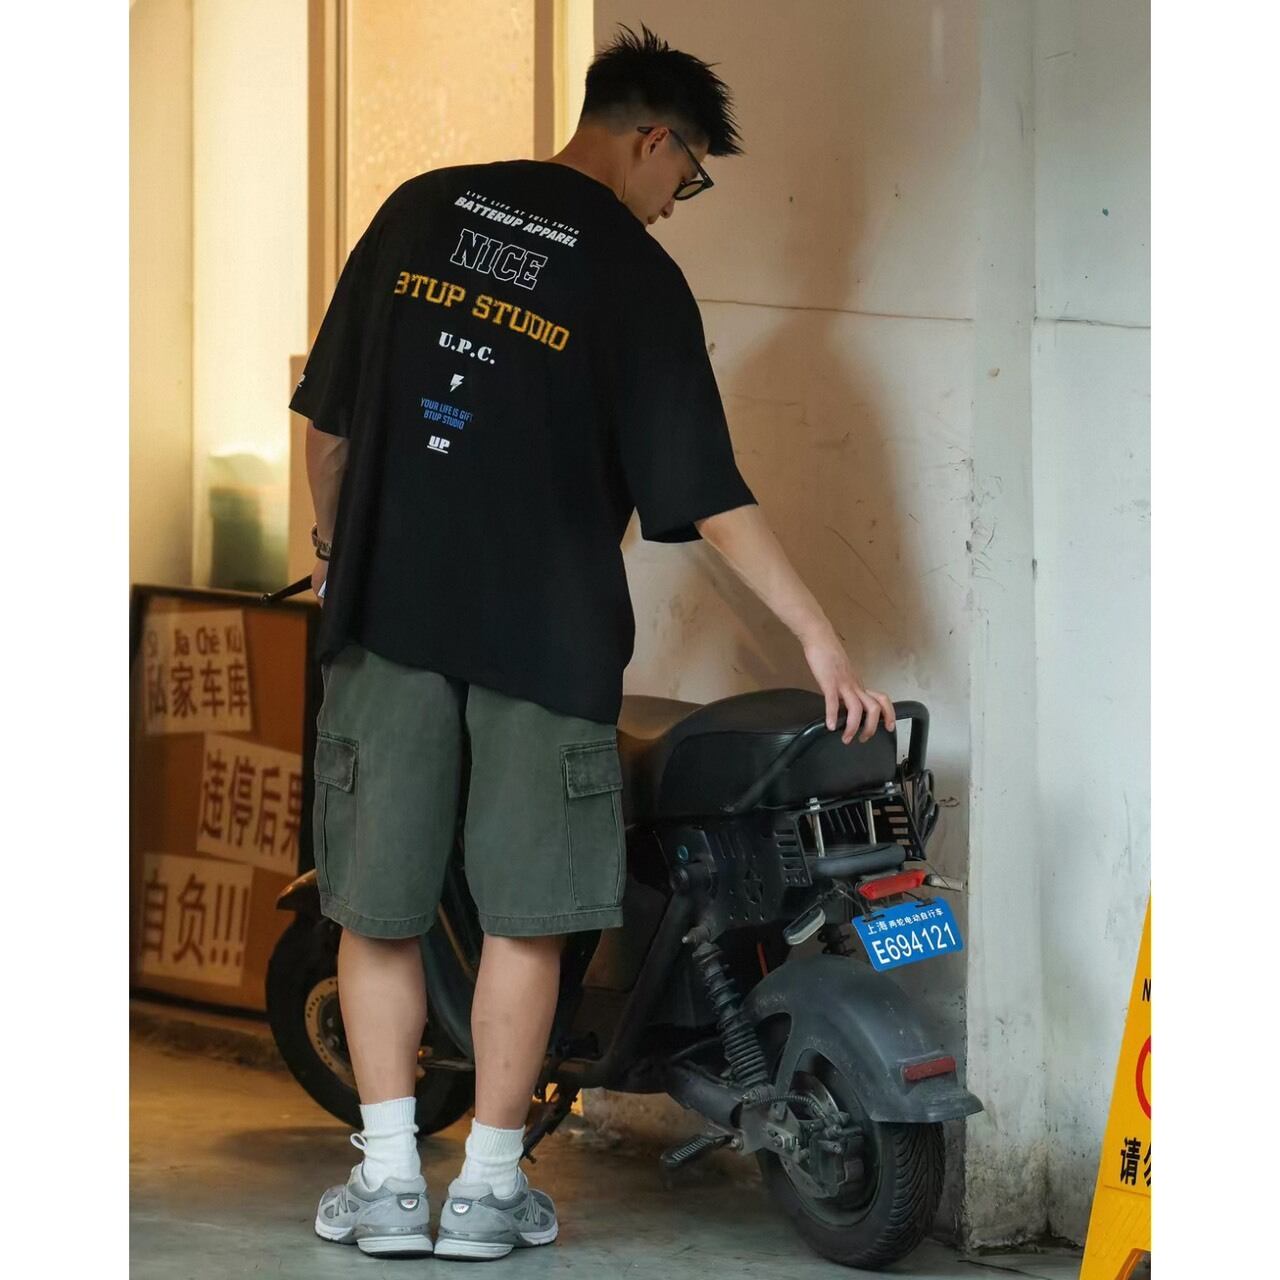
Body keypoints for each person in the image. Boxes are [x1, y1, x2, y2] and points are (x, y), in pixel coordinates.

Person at [292, 20, 896, 1262]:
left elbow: (327, 428)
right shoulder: (634, 276)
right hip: (547, 639)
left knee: (377, 905)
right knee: (529, 913)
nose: (677, 201)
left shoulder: (419, 210)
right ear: (651, 139)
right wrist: (820, 639)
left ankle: (391, 1183)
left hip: (390, 618)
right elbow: (708, 497)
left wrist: (337, 555)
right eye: (688, 176)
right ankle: (487, 1192)